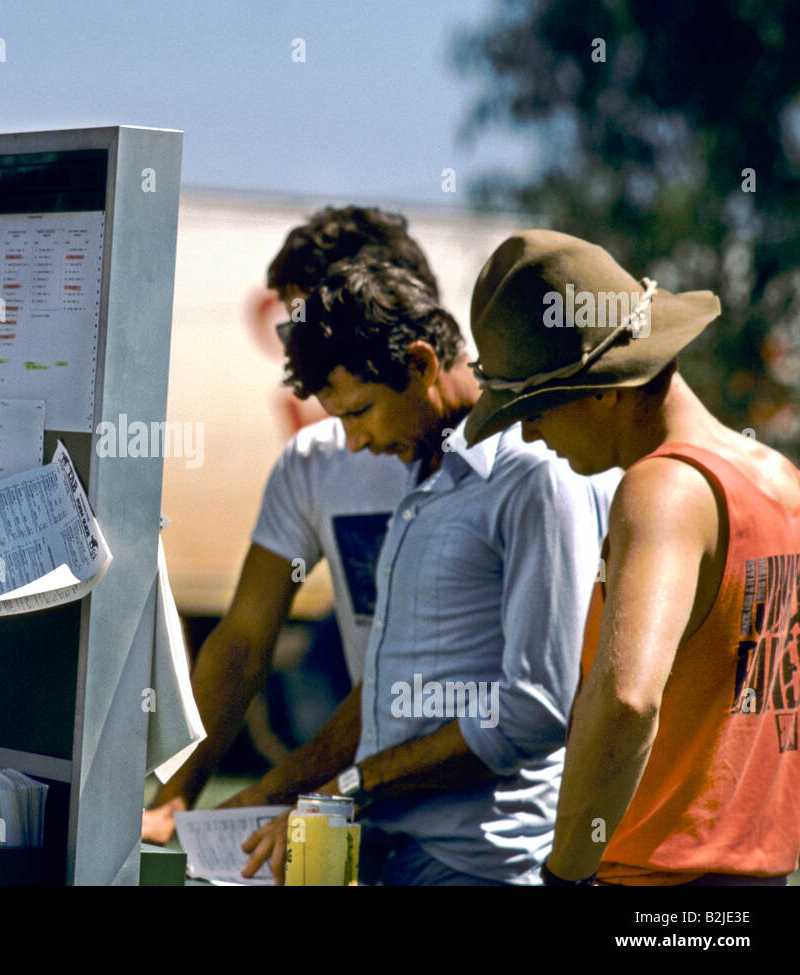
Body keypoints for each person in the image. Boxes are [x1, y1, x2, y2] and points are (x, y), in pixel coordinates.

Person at [238, 254, 619, 884]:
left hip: (483, 867)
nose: (353, 442)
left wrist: (354, 784)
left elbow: (537, 708)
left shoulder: (533, 475)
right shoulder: (428, 473)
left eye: (359, 412)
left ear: (420, 363)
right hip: (398, 856)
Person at [462, 228, 800, 886]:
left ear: (607, 388)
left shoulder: (662, 488)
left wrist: (564, 874)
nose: (529, 431)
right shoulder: (781, 480)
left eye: (537, 407)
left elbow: (626, 698)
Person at [142, 208, 429, 845]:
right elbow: (243, 641)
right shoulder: (318, 457)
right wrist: (174, 799)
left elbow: (421, 680)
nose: (300, 354)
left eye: (312, 325)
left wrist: (277, 788)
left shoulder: (494, 455)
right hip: (378, 825)